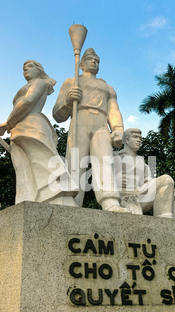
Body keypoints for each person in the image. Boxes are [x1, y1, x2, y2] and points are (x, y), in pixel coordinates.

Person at [52, 48, 128, 212]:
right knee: (75, 162)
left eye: (97, 59)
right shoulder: (71, 82)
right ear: (81, 64)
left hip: (101, 124)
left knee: (105, 161)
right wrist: (68, 99)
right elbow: (58, 115)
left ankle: (110, 201)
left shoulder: (107, 87)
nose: (94, 61)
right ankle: (71, 200)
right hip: (80, 119)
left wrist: (117, 129)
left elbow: (113, 110)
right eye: (90, 58)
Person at [0, 60, 78, 206]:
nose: (26, 70)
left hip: (31, 125)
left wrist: (8, 122)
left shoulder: (39, 83)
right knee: (24, 167)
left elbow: (28, 102)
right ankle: (27, 199)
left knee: (43, 163)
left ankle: (60, 199)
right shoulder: (28, 85)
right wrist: (12, 124)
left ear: (39, 69)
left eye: (29, 66)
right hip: (19, 127)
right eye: (23, 68)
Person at [115, 128, 175, 218]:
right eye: (135, 137)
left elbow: (148, 181)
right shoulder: (114, 157)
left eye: (140, 138)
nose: (139, 140)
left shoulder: (143, 163)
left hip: (140, 195)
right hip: (122, 197)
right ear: (126, 139)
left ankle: (164, 218)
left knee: (167, 180)